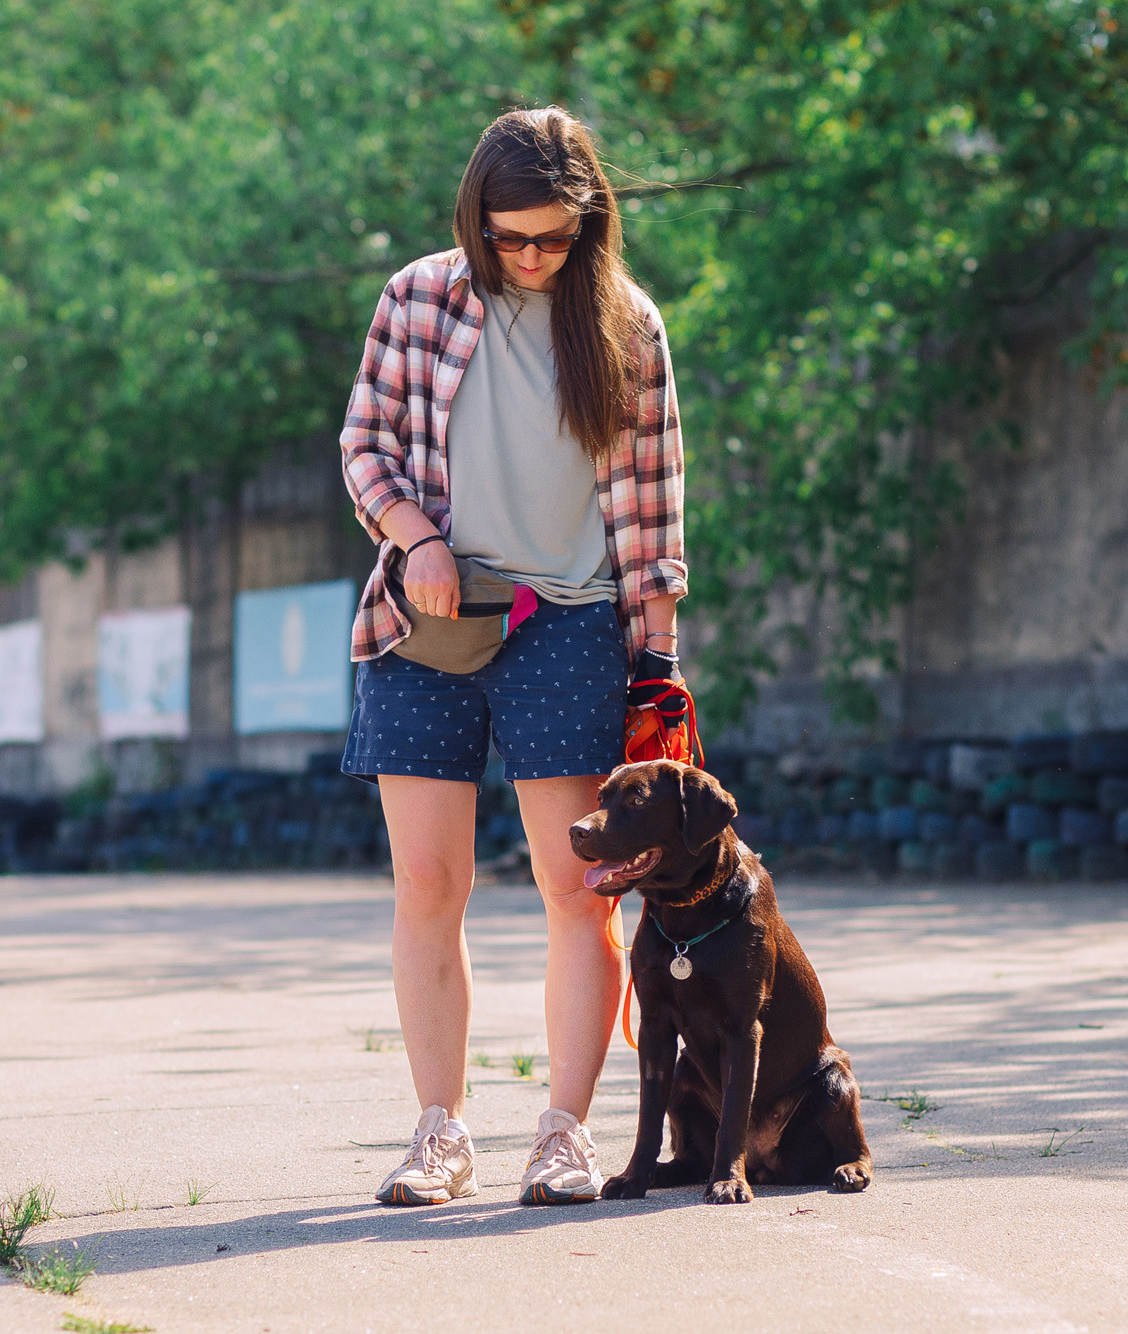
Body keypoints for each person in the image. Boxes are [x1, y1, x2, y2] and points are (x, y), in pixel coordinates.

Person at [338, 106, 687, 1206]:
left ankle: (564, 1133)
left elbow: (653, 512)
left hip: (570, 626)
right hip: (428, 622)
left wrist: (657, 660)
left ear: (589, 222)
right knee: (427, 883)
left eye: (555, 237)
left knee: (576, 888)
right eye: (511, 237)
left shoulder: (627, 324)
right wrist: (417, 538)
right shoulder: (417, 298)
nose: (533, 258)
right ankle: (438, 1131)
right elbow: (365, 445)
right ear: (474, 219)